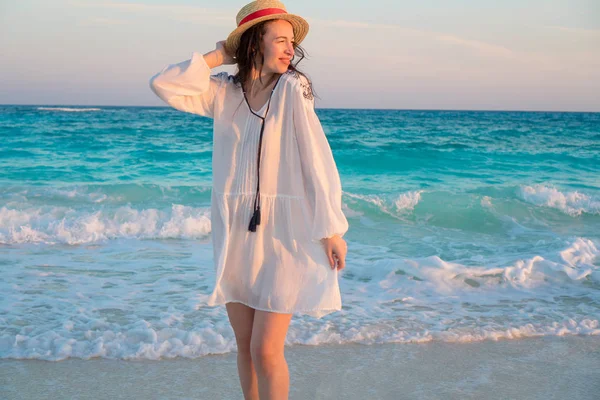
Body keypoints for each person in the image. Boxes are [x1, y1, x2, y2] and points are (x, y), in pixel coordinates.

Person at [149, 1, 348, 398]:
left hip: (284, 235)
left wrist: (330, 228)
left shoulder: (294, 88)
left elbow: (316, 158)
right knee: (244, 346)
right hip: (237, 232)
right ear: (254, 43)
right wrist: (220, 54)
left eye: (292, 42)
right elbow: (164, 84)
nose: (290, 49)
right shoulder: (223, 91)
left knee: (266, 349)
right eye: (279, 39)